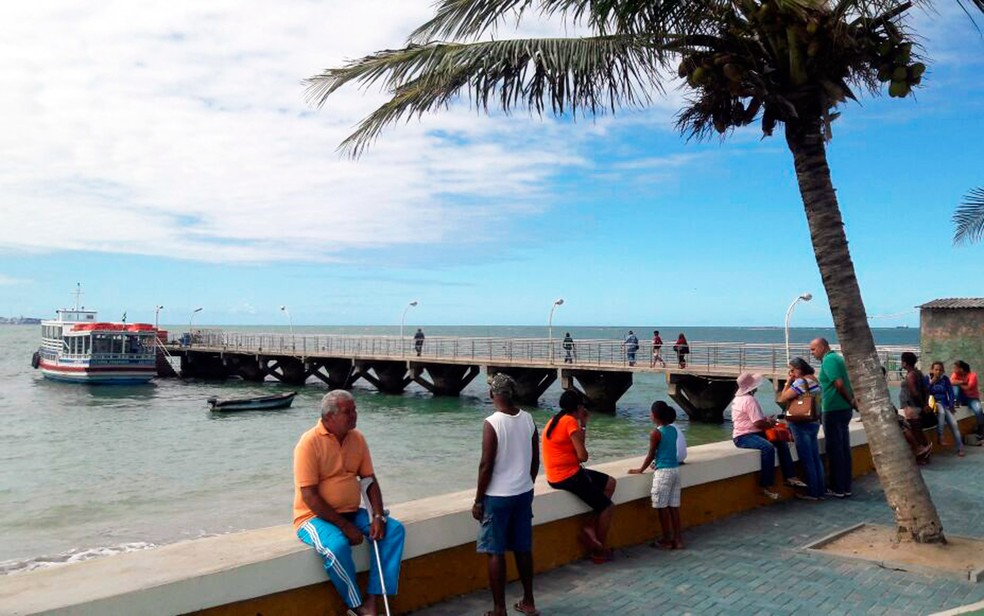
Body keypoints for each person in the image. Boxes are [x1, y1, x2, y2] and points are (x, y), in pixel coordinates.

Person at [293, 391, 405, 616]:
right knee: (336, 548)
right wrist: (345, 528)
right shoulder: (309, 442)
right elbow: (310, 496)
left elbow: (369, 481)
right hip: (313, 517)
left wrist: (378, 516)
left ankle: (374, 598)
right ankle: (356, 606)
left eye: (354, 410)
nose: (354, 415)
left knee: (393, 531)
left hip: (352, 512)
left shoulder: (357, 438)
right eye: (348, 412)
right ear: (329, 417)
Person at [474, 374, 539, 616]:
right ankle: (529, 601)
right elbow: (535, 460)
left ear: (494, 395)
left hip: (498, 497)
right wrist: (527, 483)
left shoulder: (492, 422)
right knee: (523, 549)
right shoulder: (528, 419)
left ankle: (499, 608)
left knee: (495, 551)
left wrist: (479, 499)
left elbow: (486, 465)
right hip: (523, 493)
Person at [542, 389, 616, 563]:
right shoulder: (570, 422)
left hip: (557, 474)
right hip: (567, 476)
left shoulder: (555, 419)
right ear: (578, 407)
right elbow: (583, 456)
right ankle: (598, 551)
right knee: (607, 507)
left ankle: (590, 526)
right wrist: (583, 423)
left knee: (610, 483)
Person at [730, 372, 802, 499]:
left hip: (746, 433)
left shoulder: (738, 399)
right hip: (744, 436)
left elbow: (753, 419)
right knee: (767, 448)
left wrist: (766, 420)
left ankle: (789, 476)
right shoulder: (750, 400)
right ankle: (767, 485)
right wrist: (770, 423)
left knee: (781, 443)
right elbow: (758, 423)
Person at [629, 401, 685, 549]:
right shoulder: (672, 430)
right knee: (674, 507)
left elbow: (650, 455)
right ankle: (678, 539)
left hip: (663, 473)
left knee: (661, 507)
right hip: (675, 471)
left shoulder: (656, 433)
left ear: (655, 416)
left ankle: (666, 539)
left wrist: (640, 470)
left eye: (650, 413)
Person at [810, 337, 856, 498]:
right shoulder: (838, 358)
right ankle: (846, 486)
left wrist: (849, 400)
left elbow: (838, 384)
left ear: (822, 347)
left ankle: (837, 487)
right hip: (843, 409)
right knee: (844, 448)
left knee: (835, 449)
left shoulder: (829, 360)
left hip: (833, 409)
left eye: (814, 349)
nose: (812, 353)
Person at [778, 358, 825, 500]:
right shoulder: (815, 380)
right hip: (814, 420)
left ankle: (812, 493)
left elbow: (783, 398)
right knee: (815, 457)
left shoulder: (800, 382)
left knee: (807, 459)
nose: (791, 373)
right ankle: (820, 490)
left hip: (800, 422)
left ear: (799, 369)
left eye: (792, 370)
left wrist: (788, 382)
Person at [899, 352, 933, 463]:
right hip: (915, 406)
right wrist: (925, 404)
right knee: (918, 431)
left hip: (911, 407)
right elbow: (926, 390)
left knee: (916, 431)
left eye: (902, 360)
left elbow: (914, 392)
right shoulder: (918, 373)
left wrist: (923, 404)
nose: (901, 363)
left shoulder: (910, 375)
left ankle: (922, 454)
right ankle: (925, 455)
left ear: (905, 362)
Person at [927, 361, 964, 457]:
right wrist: (931, 383)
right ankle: (940, 437)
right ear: (932, 370)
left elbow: (950, 393)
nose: (938, 372)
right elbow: (926, 392)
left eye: (940, 370)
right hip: (934, 404)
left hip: (945, 404)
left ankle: (960, 448)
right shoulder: (927, 378)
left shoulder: (945, 379)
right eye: (936, 369)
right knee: (942, 413)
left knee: (954, 424)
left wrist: (951, 404)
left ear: (943, 371)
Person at [951, 360, 984, 442]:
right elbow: (950, 382)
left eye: (956, 368)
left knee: (979, 411)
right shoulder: (955, 374)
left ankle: (981, 430)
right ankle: (956, 401)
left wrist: (958, 383)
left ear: (961, 369)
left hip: (972, 398)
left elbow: (968, 387)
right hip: (962, 398)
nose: (954, 369)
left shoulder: (972, 375)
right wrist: (962, 382)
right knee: (955, 387)